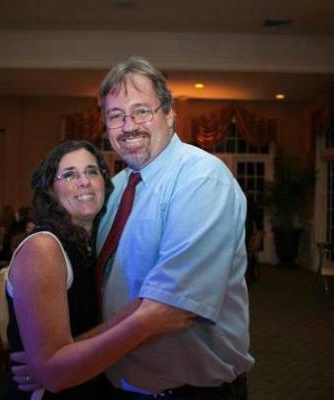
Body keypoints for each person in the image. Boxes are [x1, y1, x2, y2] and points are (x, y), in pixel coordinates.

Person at [93, 56, 254, 399]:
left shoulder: (202, 180)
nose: (128, 125)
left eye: (141, 111)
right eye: (116, 115)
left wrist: (70, 355)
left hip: (187, 392)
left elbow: (171, 308)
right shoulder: (117, 187)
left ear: (169, 114)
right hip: (120, 383)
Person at [1, 140, 193, 399]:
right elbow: (54, 373)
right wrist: (145, 321)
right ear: (50, 190)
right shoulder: (44, 248)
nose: (84, 181)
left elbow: (81, 335)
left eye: (92, 171)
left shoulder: (96, 245)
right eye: (69, 174)